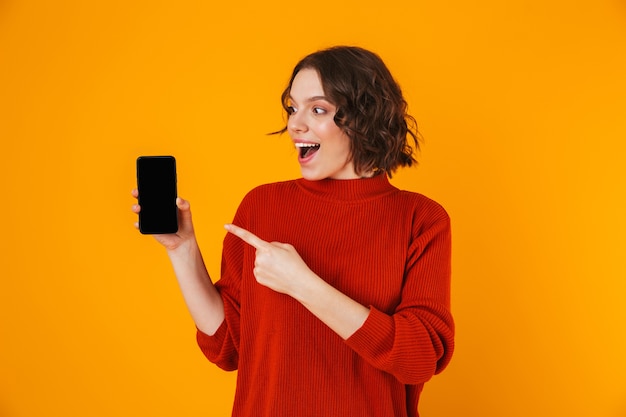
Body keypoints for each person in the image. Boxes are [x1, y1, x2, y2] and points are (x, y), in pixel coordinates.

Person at [132, 46, 454, 417]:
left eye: (317, 109)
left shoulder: (420, 218)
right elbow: (229, 346)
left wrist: (303, 284)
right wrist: (182, 250)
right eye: (292, 108)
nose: (295, 124)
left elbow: (420, 358)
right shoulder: (262, 206)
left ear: (364, 117)